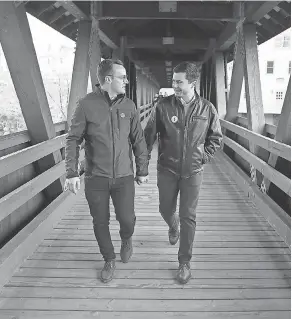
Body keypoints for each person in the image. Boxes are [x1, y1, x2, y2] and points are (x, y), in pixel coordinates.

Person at [64, 59, 149, 283]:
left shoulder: (129, 106)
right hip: (96, 177)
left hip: (124, 176)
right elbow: (73, 139)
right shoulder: (85, 105)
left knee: (127, 219)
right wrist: (72, 172)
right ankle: (109, 258)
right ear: (108, 80)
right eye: (123, 77)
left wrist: (142, 169)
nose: (127, 81)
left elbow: (138, 140)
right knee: (100, 221)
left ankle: (126, 238)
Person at [144, 61, 222, 284]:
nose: (174, 86)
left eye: (179, 82)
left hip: (193, 172)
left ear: (193, 83)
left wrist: (202, 157)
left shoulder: (207, 109)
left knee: (189, 216)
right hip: (167, 168)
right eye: (173, 81)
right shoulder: (163, 106)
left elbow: (215, 138)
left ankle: (184, 263)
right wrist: (142, 165)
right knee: (165, 209)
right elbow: (148, 136)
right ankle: (172, 224)